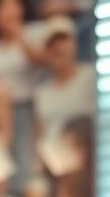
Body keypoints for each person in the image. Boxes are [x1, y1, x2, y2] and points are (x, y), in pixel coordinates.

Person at [0, 0, 48, 191]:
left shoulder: (35, 32)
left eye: (14, 5)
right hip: (1, 112)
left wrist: (19, 34)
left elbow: (41, 60)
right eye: (3, 7)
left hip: (28, 107)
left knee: (27, 159)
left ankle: (27, 193)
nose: (9, 11)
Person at [33, 14, 95, 146]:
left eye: (63, 40)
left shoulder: (91, 77)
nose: (58, 48)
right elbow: (39, 137)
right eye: (52, 44)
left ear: (75, 43)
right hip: (53, 162)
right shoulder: (42, 92)